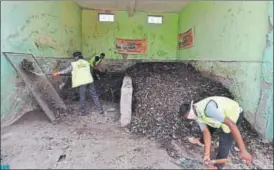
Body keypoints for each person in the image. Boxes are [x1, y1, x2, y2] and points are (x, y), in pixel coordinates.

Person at [178, 96, 252, 170]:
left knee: (224, 140)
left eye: (186, 116)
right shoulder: (196, 112)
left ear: (189, 114)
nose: (187, 118)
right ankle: (202, 141)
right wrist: (207, 154)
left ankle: (218, 166)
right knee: (208, 126)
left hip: (233, 114)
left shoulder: (209, 110)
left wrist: (243, 150)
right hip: (219, 116)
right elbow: (205, 131)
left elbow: (232, 125)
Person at [53, 51, 105, 116]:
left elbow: (66, 71)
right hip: (89, 80)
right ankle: (100, 110)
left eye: (74, 57)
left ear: (76, 57)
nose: (74, 59)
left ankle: (83, 112)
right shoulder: (87, 63)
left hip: (82, 82)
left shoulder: (74, 64)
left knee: (82, 96)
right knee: (94, 95)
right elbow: (90, 71)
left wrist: (57, 73)